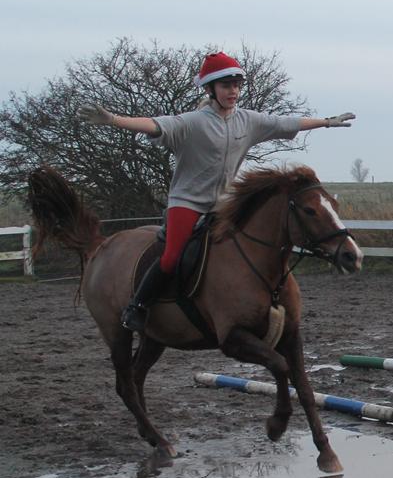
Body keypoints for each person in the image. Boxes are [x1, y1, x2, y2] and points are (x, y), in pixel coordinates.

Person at [78, 51, 356, 332]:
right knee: (172, 254)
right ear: (210, 89)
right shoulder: (191, 122)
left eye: (236, 86)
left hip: (223, 205)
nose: (233, 91)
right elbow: (153, 124)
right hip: (186, 204)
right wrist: (114, 119)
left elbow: (287, 123)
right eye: (226, 86)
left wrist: (326, 121)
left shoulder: (248, 121)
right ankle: (138, 306)